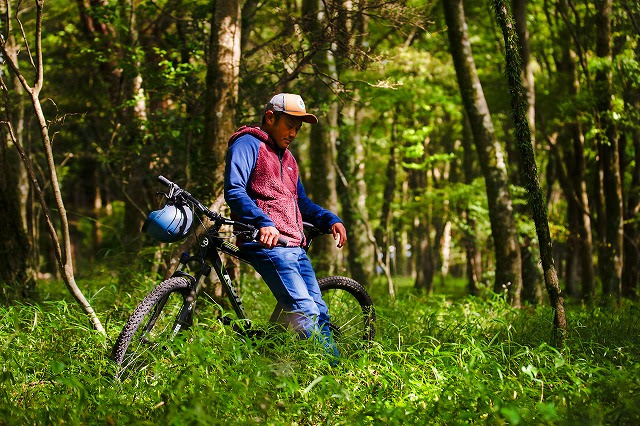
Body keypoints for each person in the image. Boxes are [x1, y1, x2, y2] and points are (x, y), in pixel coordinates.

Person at [224, 93, 347, 360]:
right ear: (270, 117)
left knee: (319, 311)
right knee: (306, 312)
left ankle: (278, 366)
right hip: (266, 243)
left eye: (297, 129)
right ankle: (333, 377)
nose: (293, 133)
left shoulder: (289, 160)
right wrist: (263, 222)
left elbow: (301, 202)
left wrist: (330, 219)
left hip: (294, 245)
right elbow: (234, 191)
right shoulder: (247, 144)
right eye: (289, 125)